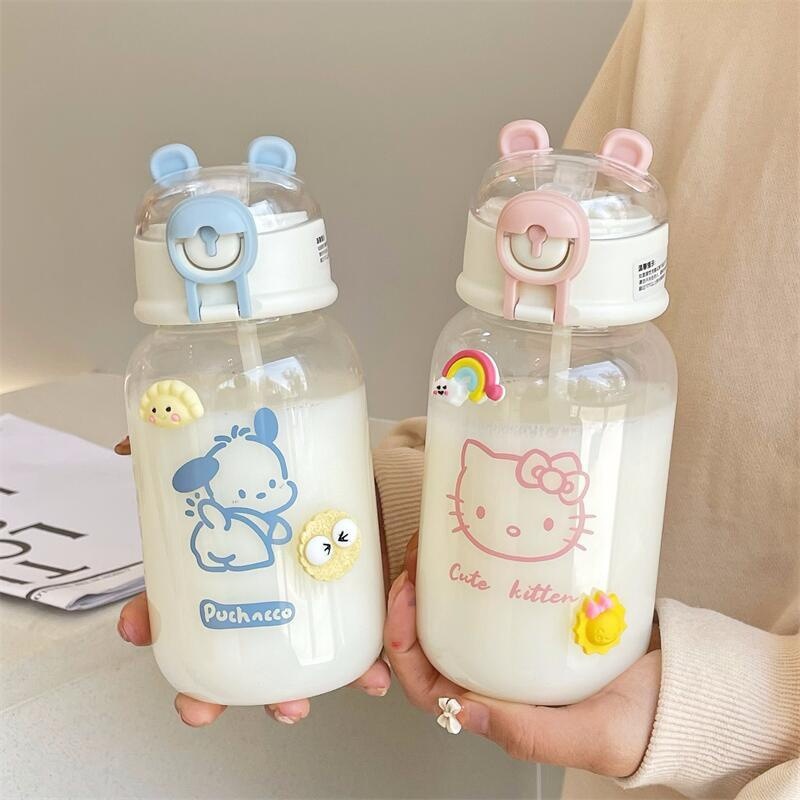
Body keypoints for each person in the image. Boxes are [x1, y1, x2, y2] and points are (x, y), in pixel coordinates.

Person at [118, 1, 799, 797]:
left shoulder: (634, 362)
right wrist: (372, 515)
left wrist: (738, 705)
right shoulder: (692, 19)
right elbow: (483, 426)